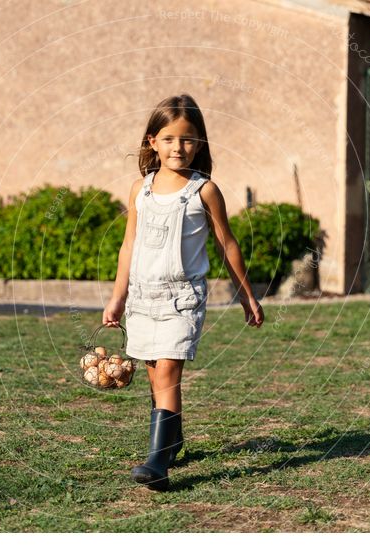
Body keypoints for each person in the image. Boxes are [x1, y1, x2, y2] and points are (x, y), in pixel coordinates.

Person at [103, 94, 264, 492]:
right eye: (170, 139)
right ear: (152, 142)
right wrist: (117, 296)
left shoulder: (204, 191)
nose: (179, 147)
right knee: (155, 374)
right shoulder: (139, 190)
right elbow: (129, 246)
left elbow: (228, 244)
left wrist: (246, 294)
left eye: (188, 139)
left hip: (181, 298)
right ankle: (172, 439)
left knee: (170, 371)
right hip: (142, 295)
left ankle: (157, 461)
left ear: (200, 144)